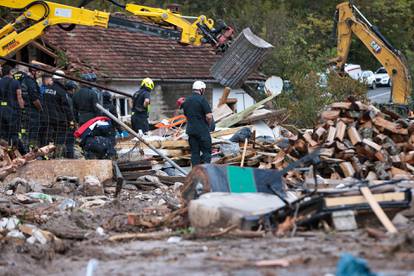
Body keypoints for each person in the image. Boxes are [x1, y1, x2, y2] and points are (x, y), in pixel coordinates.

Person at [182, 81, 213, 166]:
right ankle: (206, 173)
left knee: (195, 154)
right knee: (206, 153)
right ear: (201, 89)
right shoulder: (202, 100)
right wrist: (209, 124)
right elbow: (209, 116)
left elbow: (186, 114)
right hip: (202, 131)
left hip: (191, 131)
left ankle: (195, 173)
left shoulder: (186, 101)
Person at [41, 74, 74, 156]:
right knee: (59, 138)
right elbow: (66, 107)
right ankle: (57, 155)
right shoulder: (61, 91)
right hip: (59, 119)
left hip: (47, 118)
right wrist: (71, 119)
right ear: (61, 79)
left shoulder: (46, 90)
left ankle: (44, 155)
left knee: (47, 137)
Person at [13, 64, 43, 150]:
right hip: (31, 111)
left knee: (24, 132)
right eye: (38, 72)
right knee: (32, 133)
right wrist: (40, 109)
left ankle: (24, 150)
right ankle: (29, 151)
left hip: (23, 110)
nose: (39, 74)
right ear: (33, 71)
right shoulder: (30, 81)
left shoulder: (21, 80)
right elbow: (34, 99)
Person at [52, 70, 76, 158]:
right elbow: (67, 108)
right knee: (66, 139)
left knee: (56, 139)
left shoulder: (48, 89)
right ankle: (66, 156)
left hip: (51, 119)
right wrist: (71, 120)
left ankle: (57, 155)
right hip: (62, 120)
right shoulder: (62, 93)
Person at [0, 65, 24, 147]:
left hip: (1, 111)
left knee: (3, 134)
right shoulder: (15, 82)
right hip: (12, 111)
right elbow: (19, 97)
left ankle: (4, 153)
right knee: (14, 134)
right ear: (10, 72)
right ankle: (16, 153)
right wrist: (22, 109)